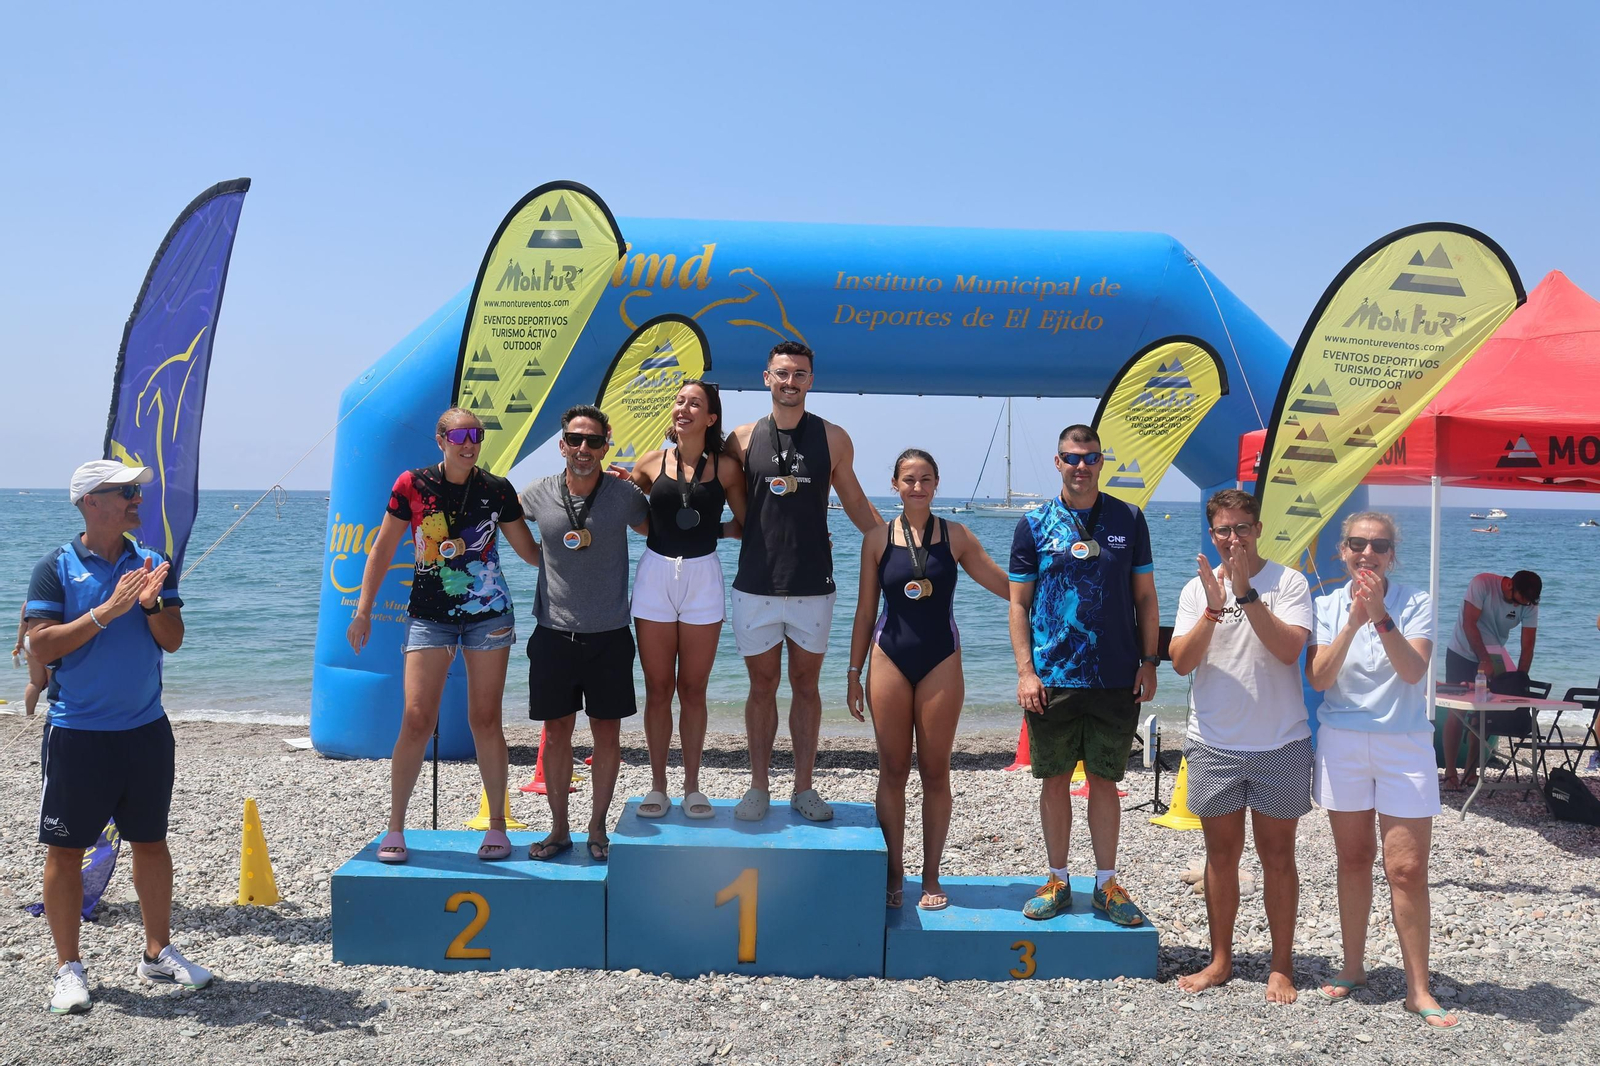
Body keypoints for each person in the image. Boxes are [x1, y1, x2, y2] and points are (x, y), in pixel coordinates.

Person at [23, 460, 208, 1014]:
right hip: (78, 734)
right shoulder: (54, 568)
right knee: (66, 850)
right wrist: (107, 611)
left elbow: (172, 641)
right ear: (89, 501)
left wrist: (150, 604)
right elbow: (41, 647)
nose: (136, 500)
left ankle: (157, 951)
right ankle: (68, 968)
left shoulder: (152, 564)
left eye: (135, 492)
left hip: (146, 732)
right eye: (124, 492)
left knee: (151, 843)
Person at [347, 407, 539, 864]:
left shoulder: (496, 489)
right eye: (460, 435)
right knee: (416, 718)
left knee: (485, 719)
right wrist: (363, 611)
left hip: (489, 614)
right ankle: (395, 827)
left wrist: (580, 545)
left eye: (477, 434)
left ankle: (496, 827)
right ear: (441, 440)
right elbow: (383, 547)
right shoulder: (411, 485)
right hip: (429, 615)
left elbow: (530, 551)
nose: (469, 442)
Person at [1305, 512, 1458, 1029]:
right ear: (1342, 550)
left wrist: (1380, 616)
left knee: (1408, 870)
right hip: (1343, 742)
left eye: (1379, 545)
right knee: (1353, 858)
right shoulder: (1325, 604)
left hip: (1404, 744)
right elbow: (1320, 678)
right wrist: (1352, 620)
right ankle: (1353, 966)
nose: (1366, 553)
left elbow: (1413, 671)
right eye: (1357, 544)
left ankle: (1419, 987)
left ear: (1393, 554)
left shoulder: (1414, 601)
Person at [1008, 424, 1159, 926]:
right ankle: (1057, 880)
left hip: (1116, 674)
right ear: (1057, 462)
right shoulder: (1033, 524)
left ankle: (1106, 884)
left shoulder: (1129, 518)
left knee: (1105, 780)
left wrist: (1150, 660)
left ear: (1101, 462)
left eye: (1091, 458)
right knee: (1053, 781)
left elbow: (1145, 597)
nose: (1081, 467)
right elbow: (1018, 603)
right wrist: (1026, 672)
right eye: (1072, 458)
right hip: (1053, 677)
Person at [725, 340, 882, 822]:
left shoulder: (833, 437)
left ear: (811, 381)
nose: (789, 382)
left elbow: (855, 502)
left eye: (799, 374)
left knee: (806, 686)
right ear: (765, 377)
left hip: (814, 582)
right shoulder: (741, 438)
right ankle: (757, 787)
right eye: (781, 373)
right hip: (755, 583)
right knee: (761, 686)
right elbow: (715, 497)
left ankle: (804, 787)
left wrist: (897, 544)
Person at [846, 449, 1009, 910]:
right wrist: (854, 672)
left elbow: (1000, 583)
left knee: (936, 771)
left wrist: (1049, 595)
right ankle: (895, 873)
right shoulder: (877, 540)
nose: (917, 487)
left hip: (941, 659)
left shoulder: (956, 536)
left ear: (937, 485)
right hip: (888, 658)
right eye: (908, 479)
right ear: (894, 484)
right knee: (892, 770)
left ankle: (932, 875)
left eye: (925, 479)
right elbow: (863, 611)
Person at [1168, 489, 1312, 1002]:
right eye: (1224, 530)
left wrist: (1247, 593)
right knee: (1220, 856)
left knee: (1278, 857)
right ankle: (1221, 959)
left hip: (1281, 742)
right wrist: (1213, 608)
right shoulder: (1196, 590)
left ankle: (1281, 964)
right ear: (1213, 533)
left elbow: (1289, 649)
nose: (1234, 539)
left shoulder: (1288, 582)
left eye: (1243, 528)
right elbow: (1181, 662)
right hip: (1215, 743)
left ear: (1258, 529)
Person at [519, 405, 649, 860]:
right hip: (553, 634)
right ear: (562, 445)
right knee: (556, 734)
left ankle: (597, 828)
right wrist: (538, 560)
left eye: (593, 441)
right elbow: (501, 521)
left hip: (610, 635)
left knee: (607, 736)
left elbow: (664, 535)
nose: (583, 448)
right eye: (575, 439)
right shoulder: (537, 494)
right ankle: (558, 830)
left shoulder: (624, 495)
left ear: (605, 446)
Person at [628, 380, 747, 819]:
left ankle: (693, 786)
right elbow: (633, 515)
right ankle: (658, 786)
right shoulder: (649, 463)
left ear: (711, 417)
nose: (684, 408)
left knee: (693, 689)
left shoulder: (727, 469)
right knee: (658, 689)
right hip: (656, 573)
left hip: (704, 576)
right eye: (679, 401)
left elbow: (745, 523)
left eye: (694, 403)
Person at [1441, 570, 1541, 790]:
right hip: (1462, 651)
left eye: (1526, 604)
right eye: (1518, 601)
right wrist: (1483, 658)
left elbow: (1528, 646)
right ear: (1509, 587)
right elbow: (1469, 624)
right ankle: (1450, 774)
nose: (1521, 607)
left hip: (1494, 655)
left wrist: (1519, 680)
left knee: (1483, 715)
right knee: (1456, 712)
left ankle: (1470, 773)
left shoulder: (1529, 603)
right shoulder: (1482, 584)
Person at [14, 602, 49, 715]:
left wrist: (19, 642)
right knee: (54, 680)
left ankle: (29, 714)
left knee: (34, 682)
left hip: (29, 639)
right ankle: (55, 710)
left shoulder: (28, 602)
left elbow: (23, 624)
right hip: (48, 639)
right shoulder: (53, 597)